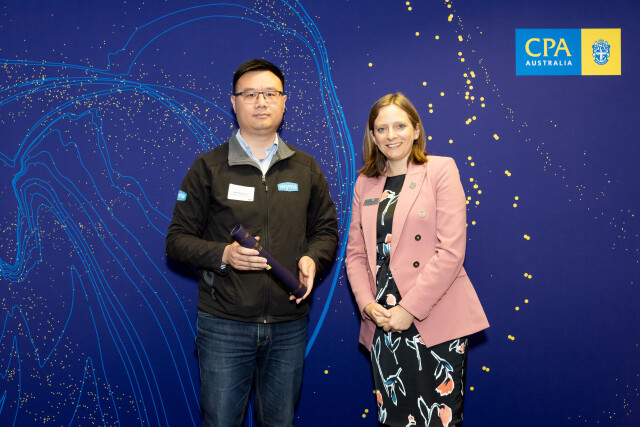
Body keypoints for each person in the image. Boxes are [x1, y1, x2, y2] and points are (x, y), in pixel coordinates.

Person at [166, 59, 339, 426]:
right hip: (224, 325)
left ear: (284, 102)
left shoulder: (306, 168)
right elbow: (177, 241)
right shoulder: (208, 167)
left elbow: (326, 232)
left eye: (270, 93)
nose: (261, 102)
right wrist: (224, 254)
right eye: (250, 94)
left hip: (288, 324)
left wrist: (313, 258)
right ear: (234, 102)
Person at [345, 93, 489, 427]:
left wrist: (408, 310)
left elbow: (451, 251)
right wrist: (368, 305)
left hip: (432, 317)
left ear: (416, 130)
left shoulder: (440, 169)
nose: (391, 135)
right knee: (393, 420)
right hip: (384, 323)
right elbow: (355, 254)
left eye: (399, 126)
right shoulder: (365, 183)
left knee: (437, 420)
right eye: (382, 129)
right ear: (372, 136)